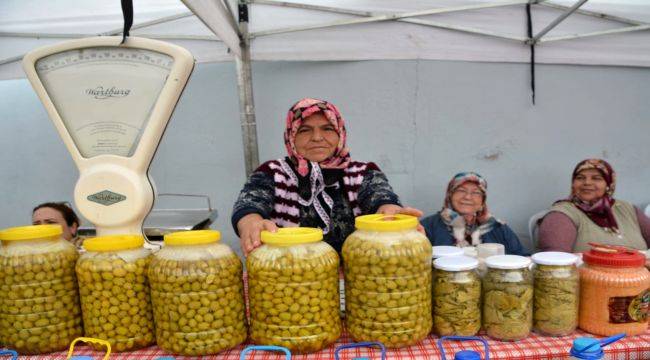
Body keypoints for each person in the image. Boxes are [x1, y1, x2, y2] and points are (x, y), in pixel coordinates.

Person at [232, 98, 421, 255]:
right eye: (304, 130)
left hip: (358, 281)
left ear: (340, 133)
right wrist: (251, 223)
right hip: (290, 279)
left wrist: (389, 210)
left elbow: (379, 195)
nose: (317, 137)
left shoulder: (363, 173)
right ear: (291, 136)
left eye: (327, 128)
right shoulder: (272, 173)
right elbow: (250, 203)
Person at [538, 159, 650, 252]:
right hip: (590, 277)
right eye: (580, 178)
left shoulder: (627, 208)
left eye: (596, 178)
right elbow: (556, 261)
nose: (587, 182)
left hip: (641, 275)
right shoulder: (561, 214)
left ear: (609, 184)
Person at [420, 172, 527, 255]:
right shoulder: (428, 226)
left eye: (476, 192)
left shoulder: (497, 227)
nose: (468, 197)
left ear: (482, 201)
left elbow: (522, 257)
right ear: (450, 195)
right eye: (461, 190)